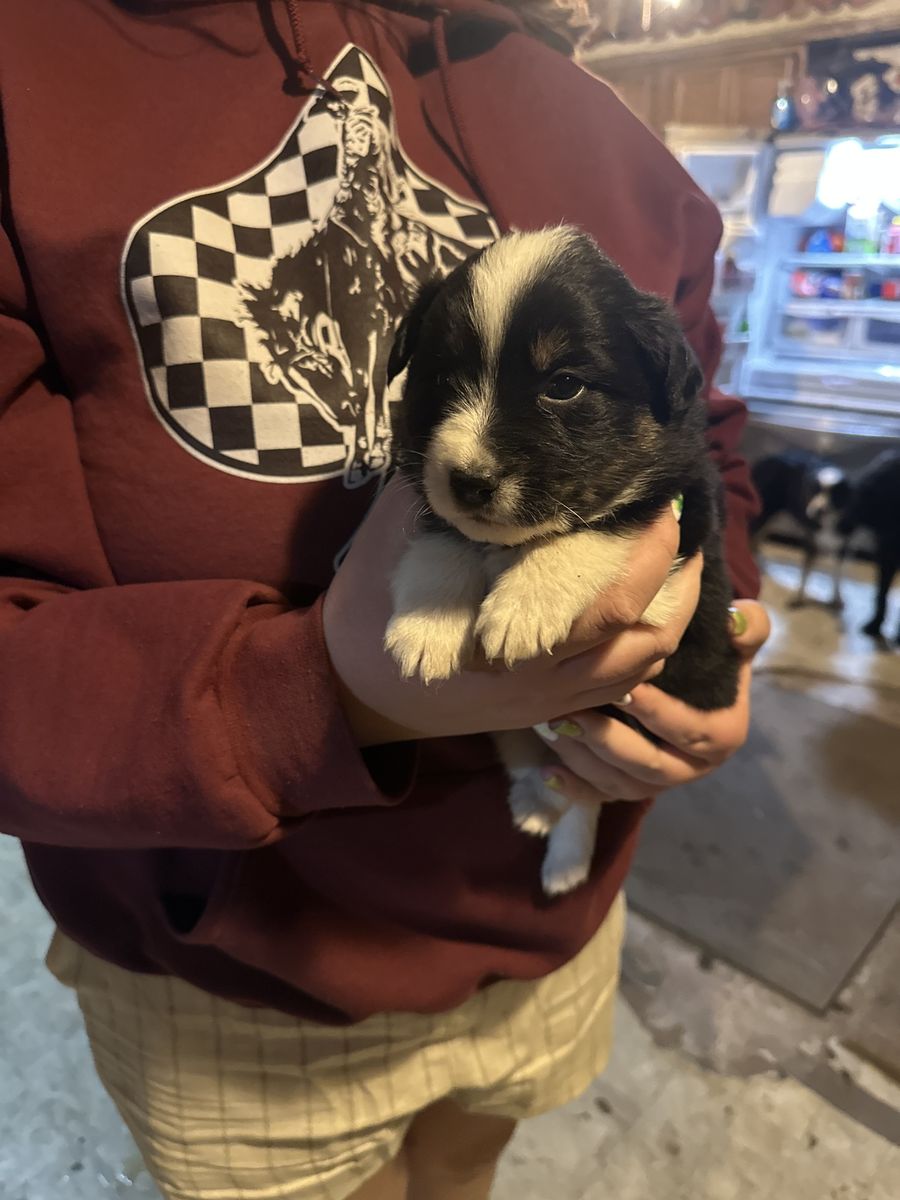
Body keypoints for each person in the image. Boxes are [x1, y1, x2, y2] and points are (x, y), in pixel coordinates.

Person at [0, 1, 768, 1197]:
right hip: (250, 980)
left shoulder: (570, 95)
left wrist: (730, 623)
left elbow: (699, 415)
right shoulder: (31, 69)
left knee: (468, 1171)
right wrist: (313, 690)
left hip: (551, 916)